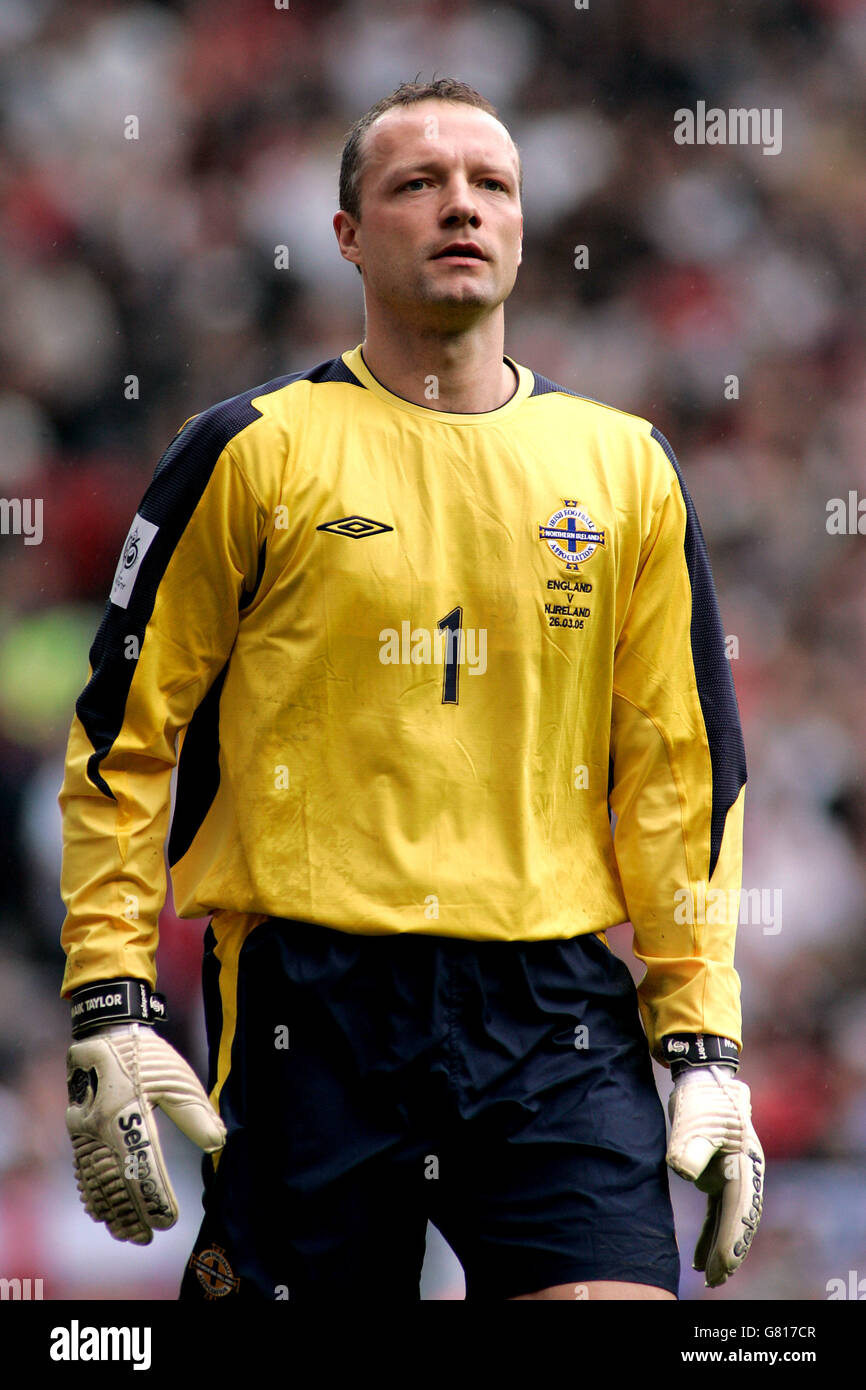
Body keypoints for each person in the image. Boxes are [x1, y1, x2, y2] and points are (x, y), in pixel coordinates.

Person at [59, 78, 763, 1303]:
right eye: (416, 184)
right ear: (345, 233)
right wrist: (109, 997)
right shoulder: (246, 450)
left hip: (552, 1008)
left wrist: (699, 1037)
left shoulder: (624, 468)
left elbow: (679, 772)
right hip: (313, 1003)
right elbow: (126, 739)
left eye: (491, 185)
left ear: (523, 228)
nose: (460, 207)